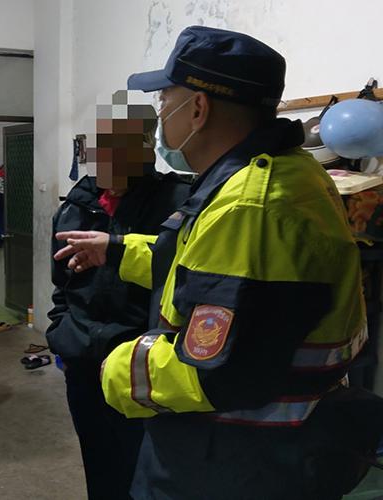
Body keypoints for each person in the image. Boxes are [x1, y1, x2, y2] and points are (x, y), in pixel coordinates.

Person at [55, 26, 383, 499]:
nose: (161, 112)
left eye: (165, 99)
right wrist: (119, 249)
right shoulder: (284, 173)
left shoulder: (250, 205)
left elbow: (216, 368)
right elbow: (214, 271)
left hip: (234, 458)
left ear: (198, 108)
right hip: (274, 448)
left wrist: (113, 365)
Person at [46, 91, 191, 499]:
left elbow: (186, 283)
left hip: (144, 367)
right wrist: (62, 334)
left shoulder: (178, 205)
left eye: (120, 145)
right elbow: (62, 285)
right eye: (99, 146)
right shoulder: (76, 206)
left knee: (144, 471)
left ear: (147, 146)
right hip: (84, 364)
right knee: (99, 462)